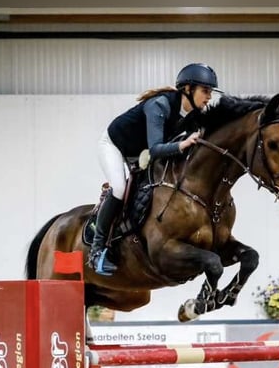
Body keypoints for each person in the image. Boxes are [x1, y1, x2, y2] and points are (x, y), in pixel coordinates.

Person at [89, 62, 222, 275]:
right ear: (188, 89)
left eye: (210, 92)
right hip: (114, 145)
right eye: (205, 91)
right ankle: (97, 250)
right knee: (119, 188)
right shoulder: (159, 105)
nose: (209, 97)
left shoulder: (193, 113)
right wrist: (182, 144)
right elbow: (156, 149)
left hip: (139, 151)